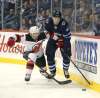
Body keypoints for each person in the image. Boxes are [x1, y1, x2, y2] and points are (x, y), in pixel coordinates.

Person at [45, 10, 71, 79]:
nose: (56, 19)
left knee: (66, 54)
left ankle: (65, 70)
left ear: (60, 18)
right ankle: (53, 71)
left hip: (64, 40)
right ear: (52, 17)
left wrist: (62, 41)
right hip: (53, 39)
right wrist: (54, 38)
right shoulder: (48, 21)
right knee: (49, 53)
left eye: (58, 18)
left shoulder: (64, 23)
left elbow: (68, 36)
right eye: (55, 18)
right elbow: (46, 32)